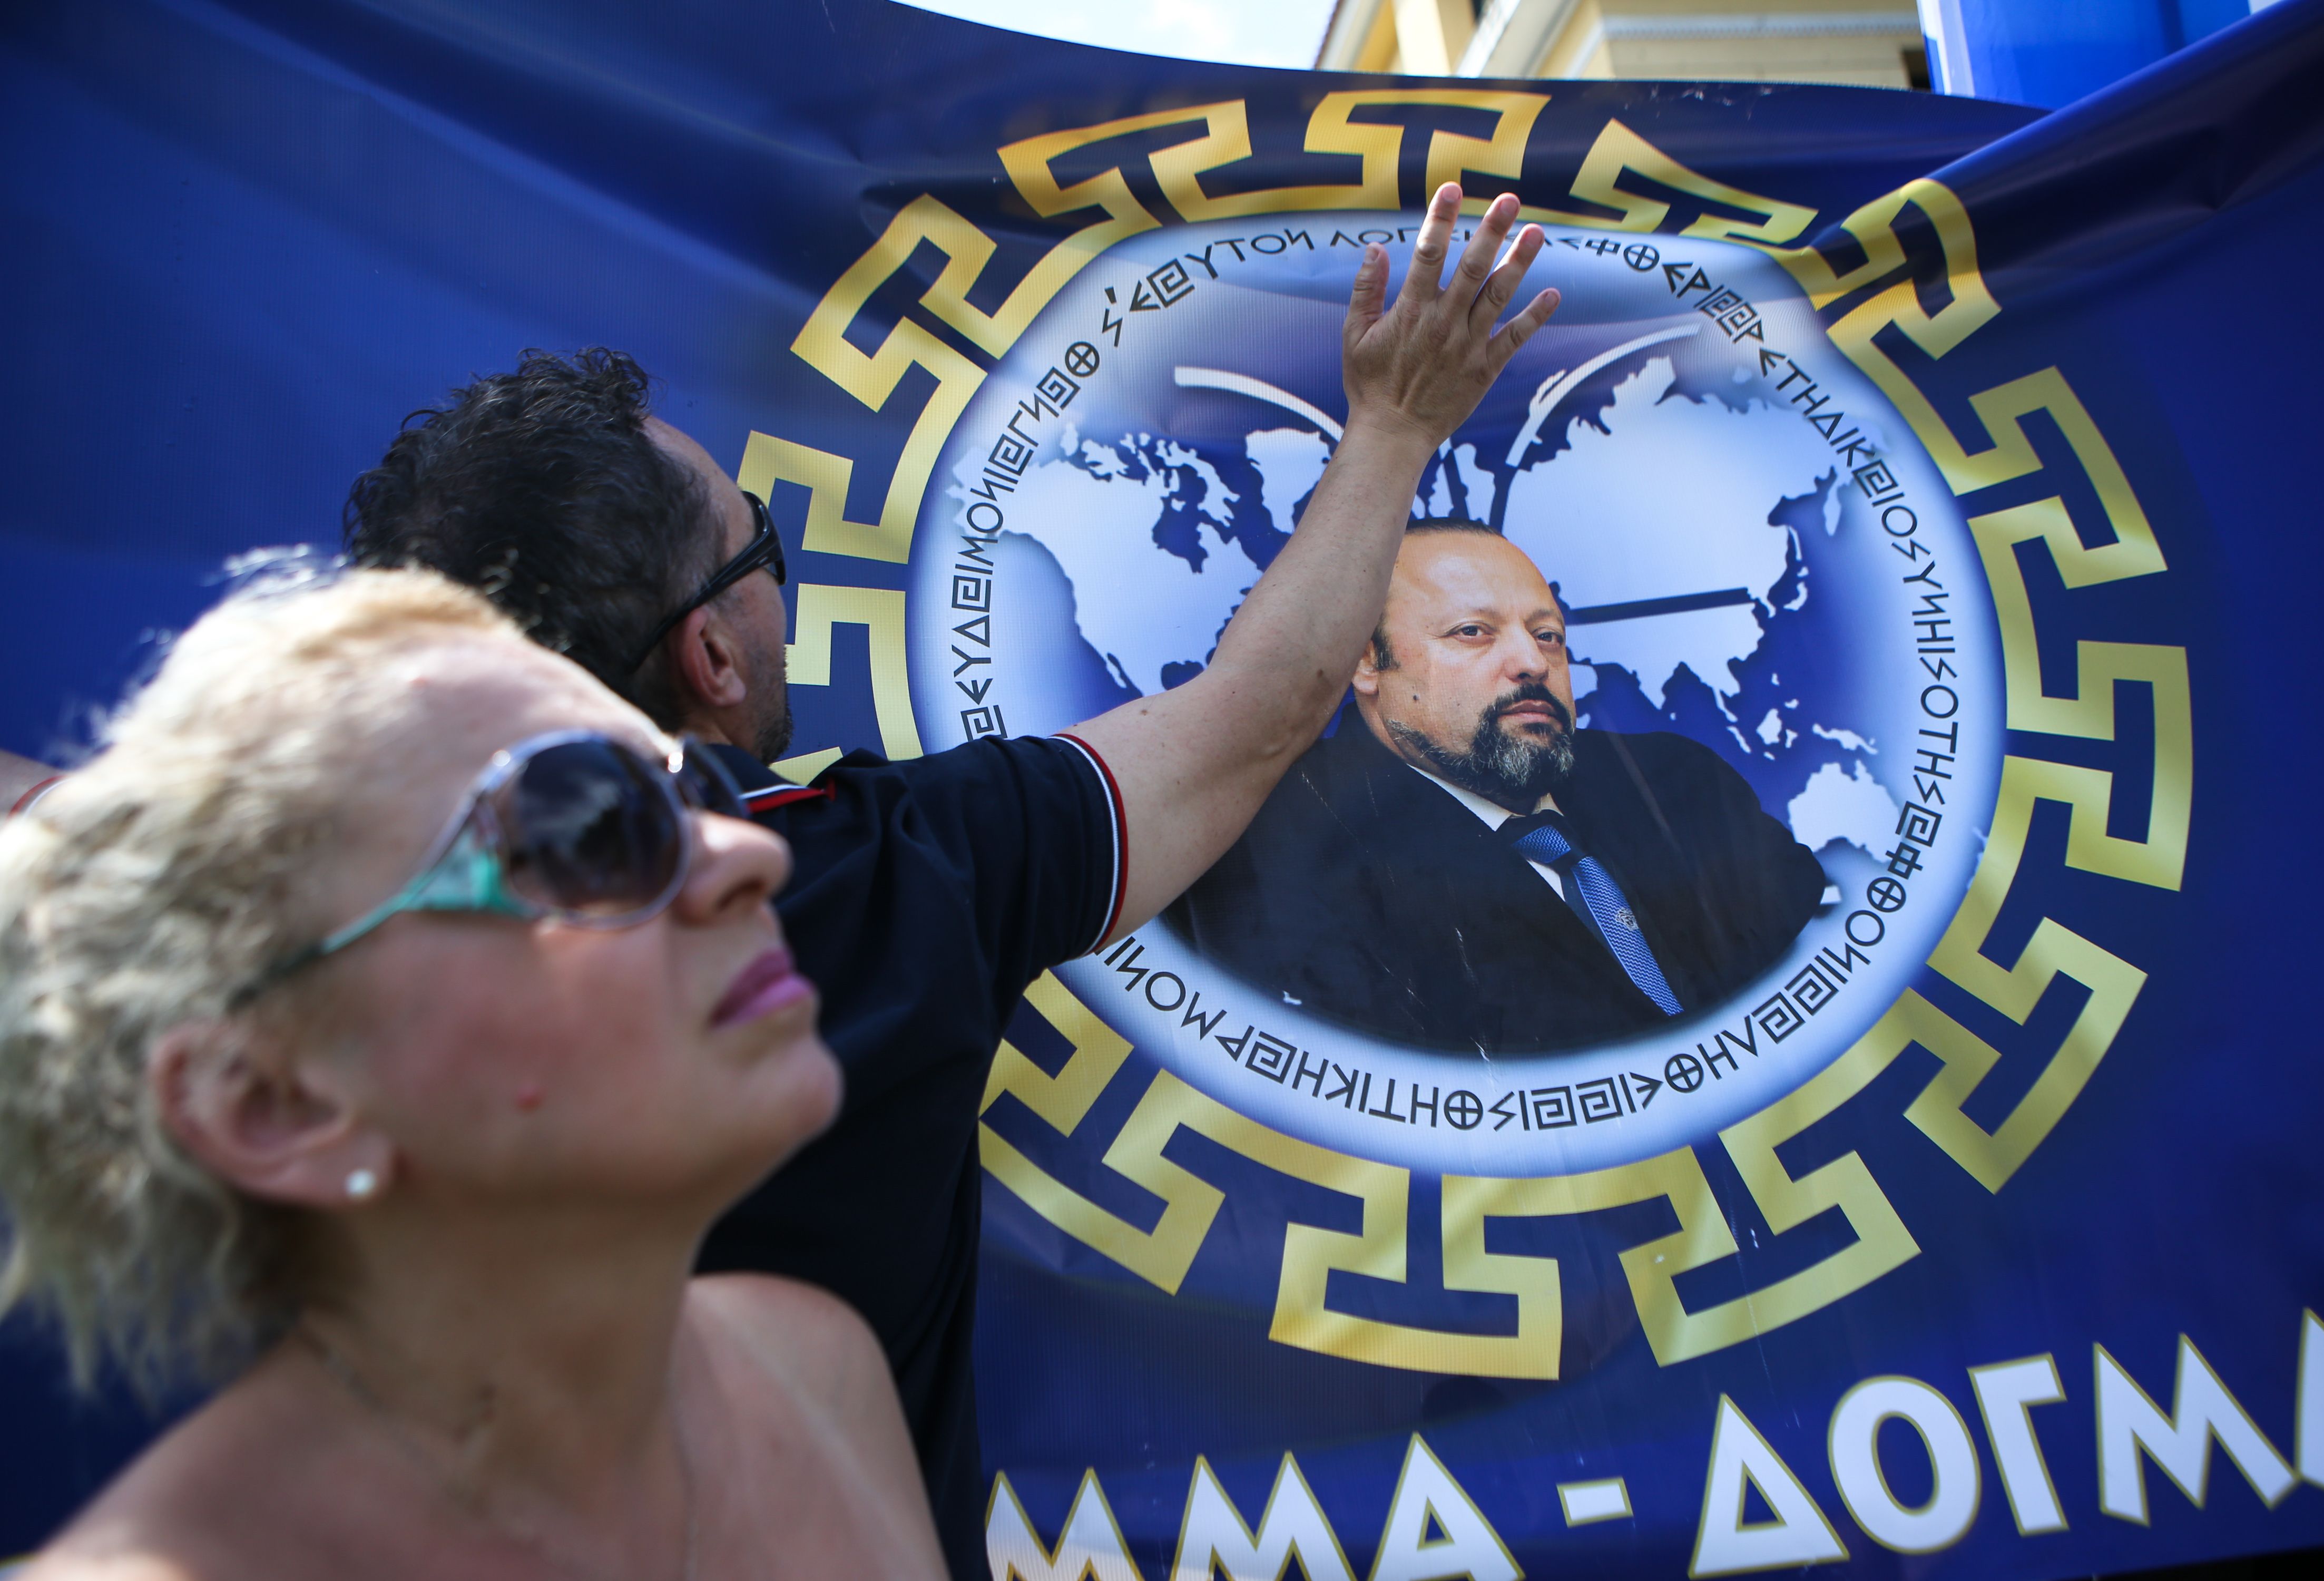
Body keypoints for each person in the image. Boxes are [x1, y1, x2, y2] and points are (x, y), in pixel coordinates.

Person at [323, 184, 1557, 1573]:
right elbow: (1255, 719)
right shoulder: (861, 877)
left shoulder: (291, 950)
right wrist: (1394, 428)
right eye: (758, 551)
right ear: (710, 658)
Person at [0, 567, 947, 1579]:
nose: (748, 857)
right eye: (585, 827)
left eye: (692, 793)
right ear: (274, 1104)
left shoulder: (820, 1370)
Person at [1165, 520, 1827, 1055]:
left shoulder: (1679, 783)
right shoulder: (1284, 849)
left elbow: (1801, 974)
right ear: (1366, 661)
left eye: (1548, 636)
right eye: (1473, 633)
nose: (1532, 663)